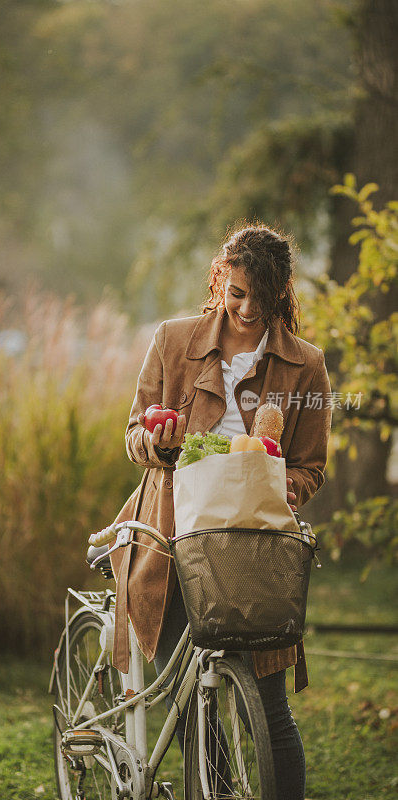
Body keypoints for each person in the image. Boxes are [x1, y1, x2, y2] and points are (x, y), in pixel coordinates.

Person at [109, 224, 332, 800]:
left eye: (261, 297)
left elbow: (310, 466)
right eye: (236, 293)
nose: (247, 309)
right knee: (190, 702)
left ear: (282, 291)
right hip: (171, 539)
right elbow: (135, 432)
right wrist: (158, 442)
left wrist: (275, 487)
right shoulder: (173, 339)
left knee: (272, 709)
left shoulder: (306, 366)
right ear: (219, 281)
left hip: (255, 549)